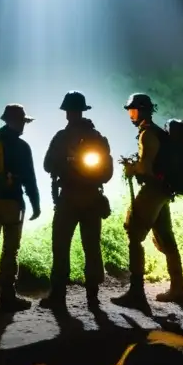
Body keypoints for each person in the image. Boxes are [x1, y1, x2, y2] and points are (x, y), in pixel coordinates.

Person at [111, 93, 183, 312]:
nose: (130, 115)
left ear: (143, 111)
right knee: (166, 238)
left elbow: (146, 168)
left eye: (133, 110)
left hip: (154, 190)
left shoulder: (147, 134)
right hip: (164, 191)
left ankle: (136, 293)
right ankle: (178, 289)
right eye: (130, 110)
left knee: (134, 233)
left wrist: (131, 168)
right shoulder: (158, 133)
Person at [40, 91, 112, 310]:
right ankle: (93, 297)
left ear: (67, 113)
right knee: (92, 247)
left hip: (68, 198)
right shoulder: (97, 137)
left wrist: (65, 165)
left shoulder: (61, 137)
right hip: (91, 198)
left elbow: (47, 166)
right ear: (82, 110)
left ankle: (58, 296)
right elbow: (107, 173)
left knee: (61, 246)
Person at [0, 103, 42, 313]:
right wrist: (36, 205)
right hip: (12, 202)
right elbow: (30, 179)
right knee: (10, 249)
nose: (23, 126)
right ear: (17, 121)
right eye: (22, 122)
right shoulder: (21, 146)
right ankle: (7, 295)